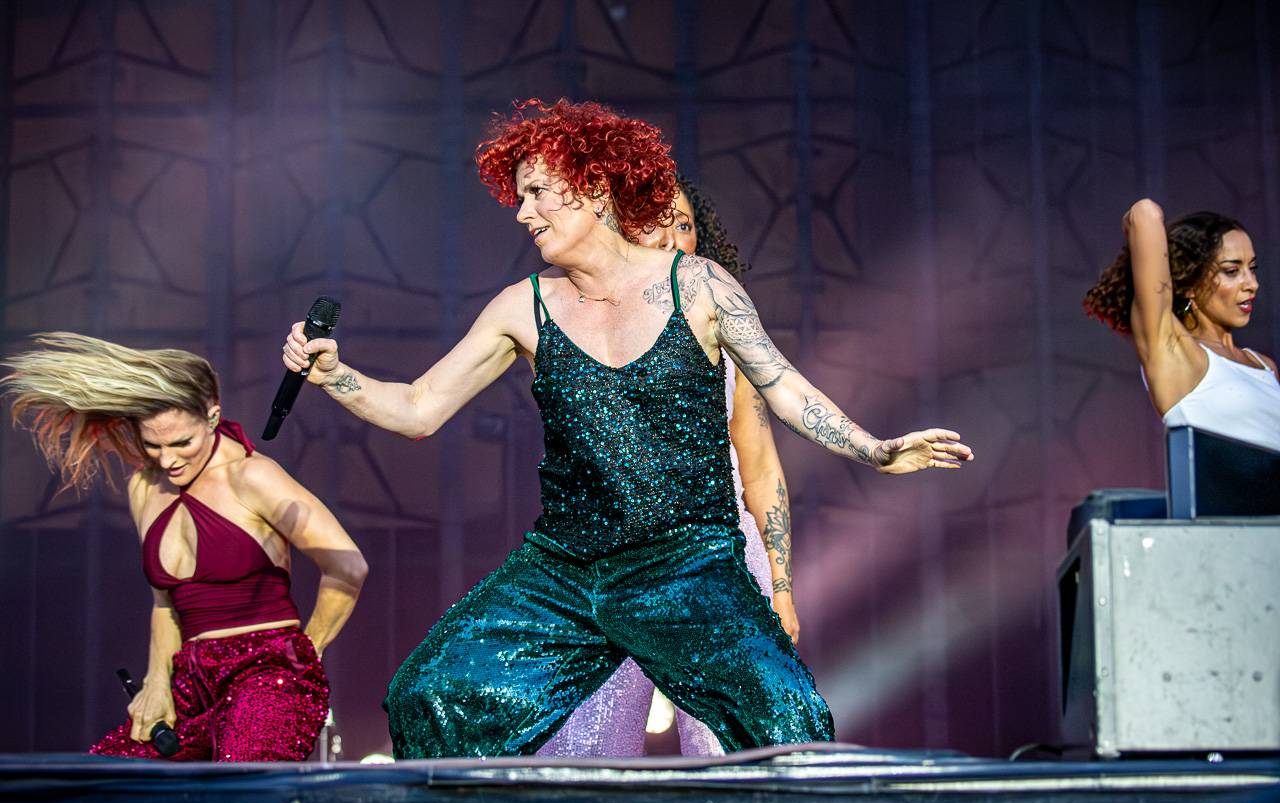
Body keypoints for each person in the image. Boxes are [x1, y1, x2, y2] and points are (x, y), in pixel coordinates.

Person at [281, 98, 972, 759]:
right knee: (428, 694)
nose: (522, 213)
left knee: (788, 716)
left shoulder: (698, 285)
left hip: (687, 564)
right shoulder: (525, 306)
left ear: (594, 188)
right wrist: (336, 375)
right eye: (519, 197)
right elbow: (418, 408)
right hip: (565, 569)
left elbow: (783, 386)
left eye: (537, 193)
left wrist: (875, 450)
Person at [1, 333, 368, 761]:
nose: (168, 460)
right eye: (153, 445)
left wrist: (306, 652)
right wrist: (156, 683)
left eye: (181, 443)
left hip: (267, 676)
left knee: (241, 788)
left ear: (212, 416)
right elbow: (165, 603)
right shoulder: (145, 486)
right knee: (104, 779)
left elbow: (348, 566)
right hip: (188, 682)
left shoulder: (251, 477)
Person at [538, 175, 796, 757]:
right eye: (654, 220)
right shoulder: (576, 323)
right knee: (588, 745)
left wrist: (781, 588)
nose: (672, 235)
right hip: (609, 558)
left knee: (734, 746)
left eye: (684, 224)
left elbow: (759, 469)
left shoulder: (725, 331)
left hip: (720, 554)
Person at [1084, 199, 1280, 452]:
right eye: (1232, 271)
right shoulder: (1175, 352)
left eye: (1252, 268)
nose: (1252, 284)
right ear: (1190, 283)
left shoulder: (1263, 365)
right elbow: (1144, 214)